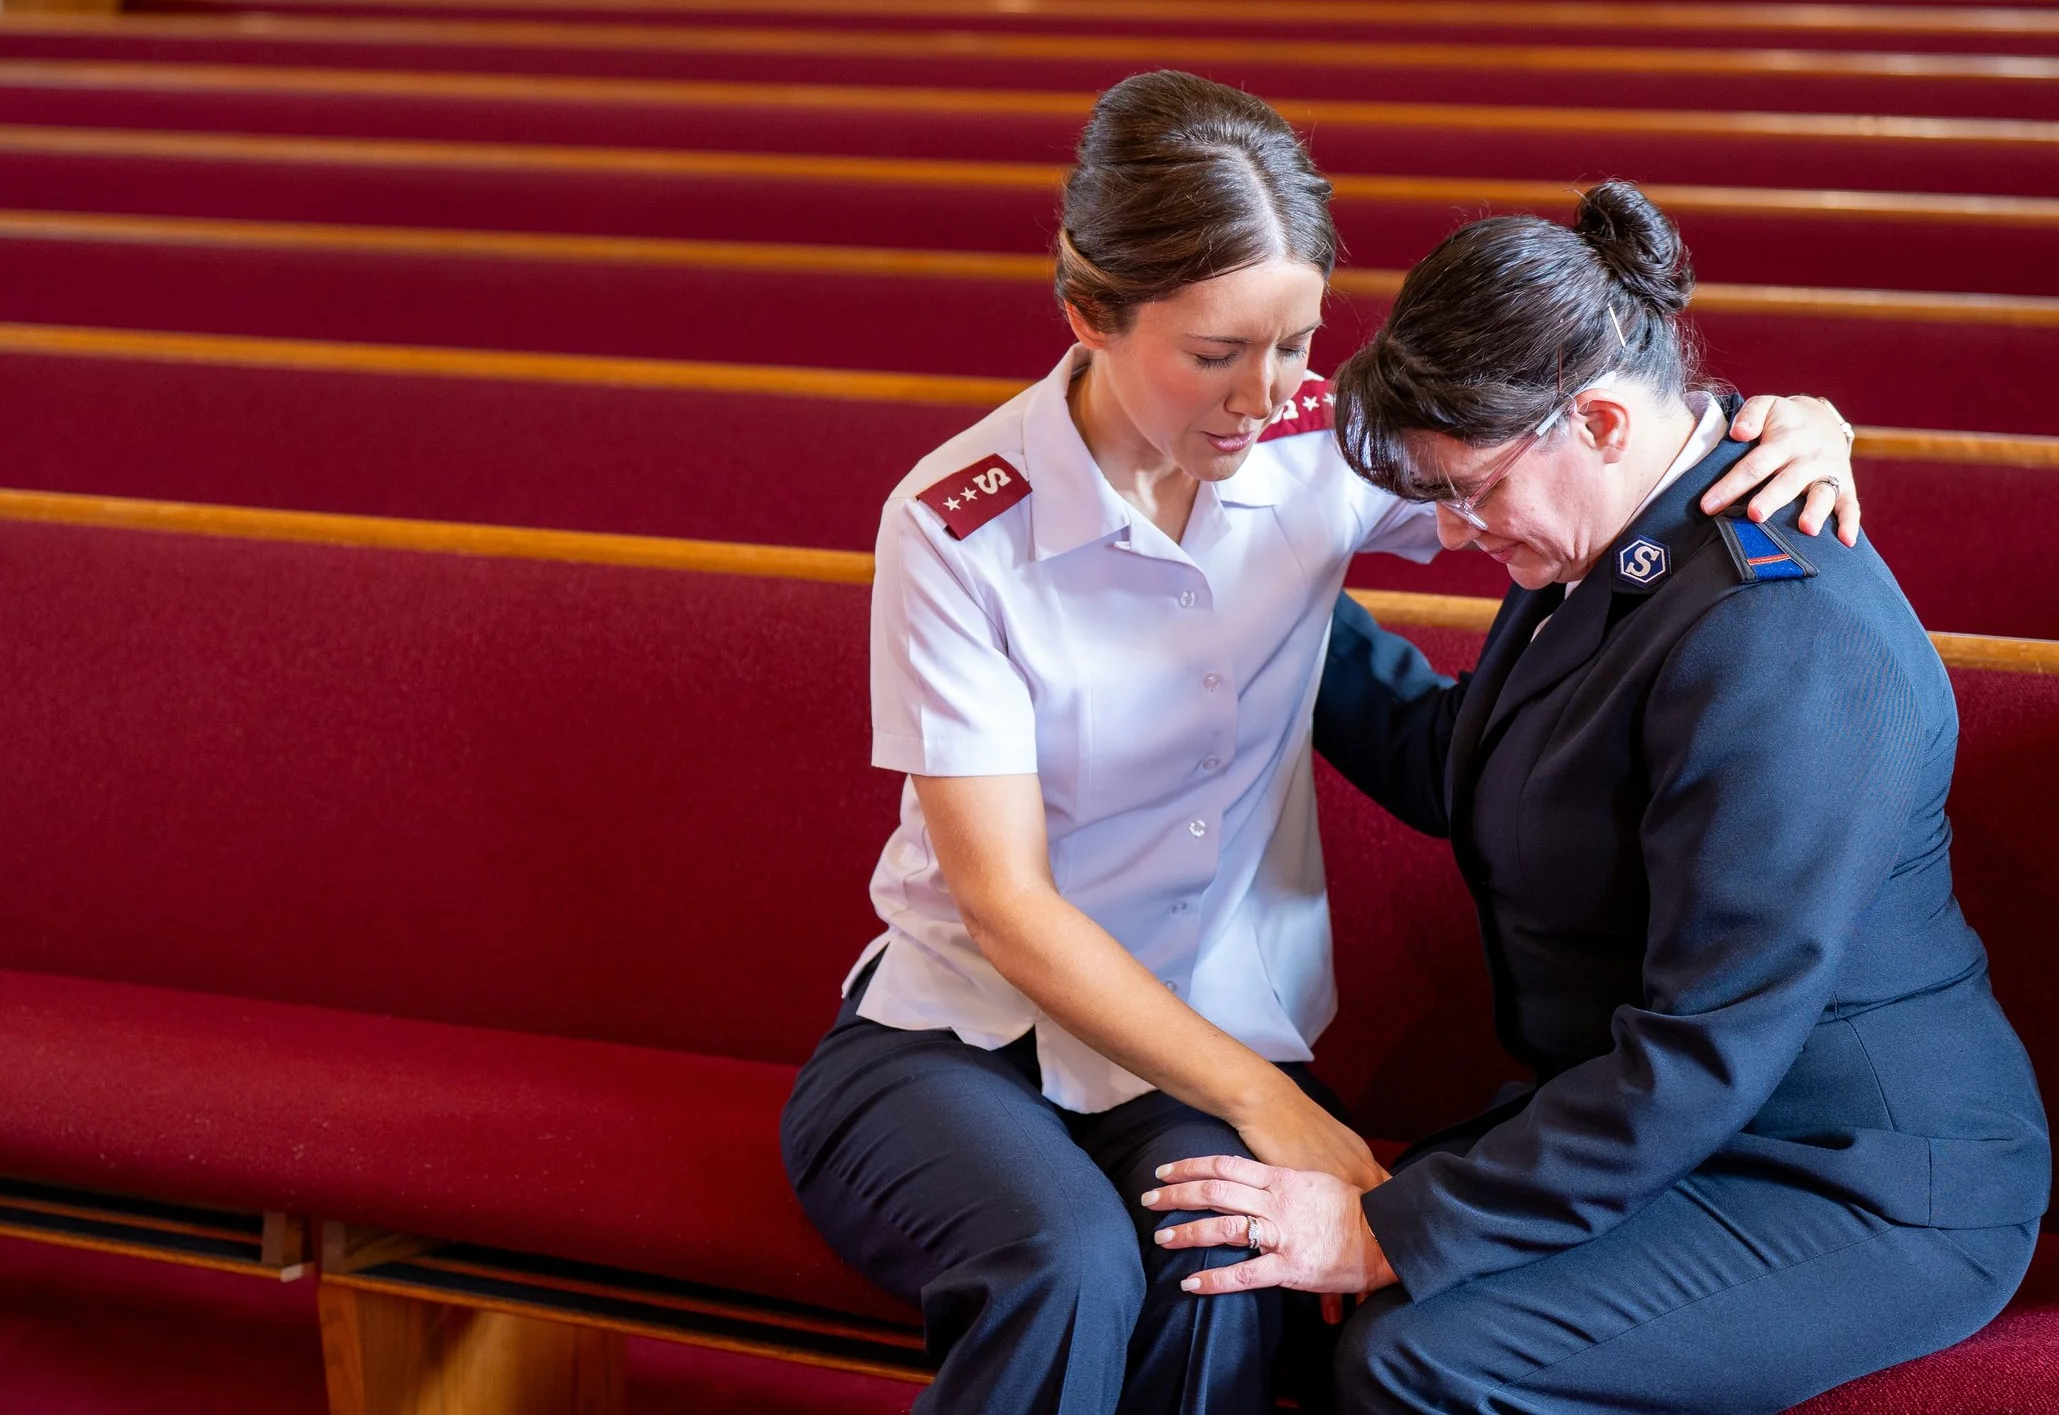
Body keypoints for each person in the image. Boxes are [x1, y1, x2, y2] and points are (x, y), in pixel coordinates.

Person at [778, 74, 1864, 1415]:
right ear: (1088, 317)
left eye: (1295, 341)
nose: (1265, 393)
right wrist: (1269, 1100)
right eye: (1215, 351)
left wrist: (1781, 419)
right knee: (1061, 1265)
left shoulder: (1309, 448)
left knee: (1229, 1266)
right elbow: (1003, 906)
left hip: (1193, 1027)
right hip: (961, 1031)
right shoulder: (960, 521)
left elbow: (1573, 449)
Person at [1142, 182, 2050, 1414]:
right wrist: (1248, 602)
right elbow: (1459, 756)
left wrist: (1393, 1230)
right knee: (1273, 1289)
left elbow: (1710, 1037)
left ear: (1602, 420)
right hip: (1676, 1120)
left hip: (1852, 1173)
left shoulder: (1772, 633)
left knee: (1413, 1354)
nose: (1455, 531)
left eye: (1470, 489)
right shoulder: (1628, 529)